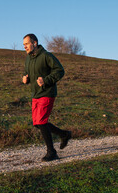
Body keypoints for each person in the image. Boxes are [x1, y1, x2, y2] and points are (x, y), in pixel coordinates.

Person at [22, 33, 71, 161]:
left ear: (34, 43)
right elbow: (27, 71)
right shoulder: (28, 58)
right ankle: (64, 134)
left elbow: (60, 70)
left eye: (27, 44)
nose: (25, 47)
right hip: (35, 94)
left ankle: (52, 152)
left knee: (42, 122)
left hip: (47, 93)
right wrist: (25, 78)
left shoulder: (46, 56)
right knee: (37, 123)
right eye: (24, 45)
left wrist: (46, 80)